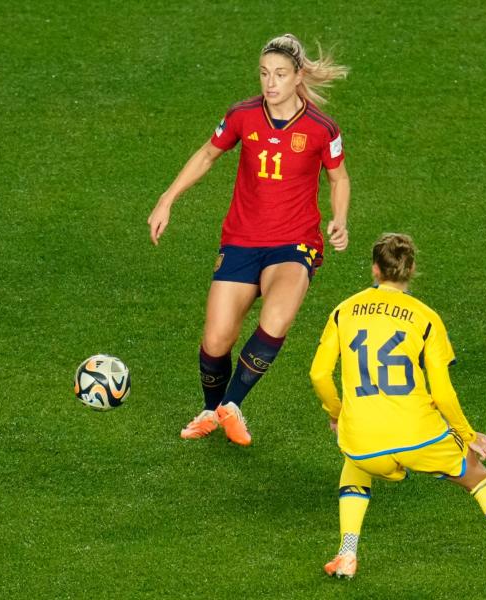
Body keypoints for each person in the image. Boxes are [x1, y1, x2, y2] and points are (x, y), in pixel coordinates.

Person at [309, 233, 486, 590]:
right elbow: (442, 393)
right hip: (421, 435)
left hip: (363, 442)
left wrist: (338, 415)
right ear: (411, 269)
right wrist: (467, 434)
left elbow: (319, 374)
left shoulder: (343, 310)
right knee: (480, 481)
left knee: (355, 462)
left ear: (374, 269)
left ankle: (346, 553)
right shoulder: (426, 318)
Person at [148, 34, 350, 446]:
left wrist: (340, 218)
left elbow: (338, 177)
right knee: (216, 338)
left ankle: (232, 404)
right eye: (264, 74)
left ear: (298, 77)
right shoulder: (242, 115)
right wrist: (167, 199)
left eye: (279, 74)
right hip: (241, 240)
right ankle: (211, 409)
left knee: (276, 318)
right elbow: (207, 154)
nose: (270, 83)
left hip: (294, 243)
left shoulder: (321, 128)